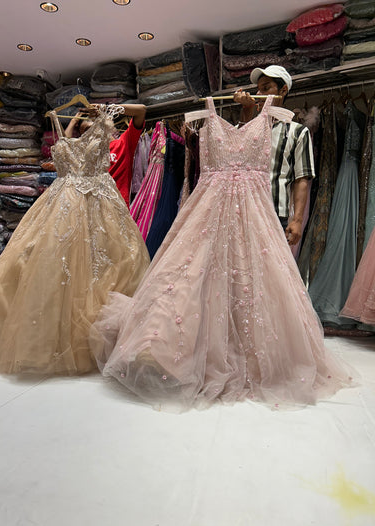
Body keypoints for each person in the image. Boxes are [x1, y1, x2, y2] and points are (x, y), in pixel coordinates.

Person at [89, 95, 355, 412]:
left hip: (255, 214)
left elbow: (302, 178)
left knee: (253, 282)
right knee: (190, 276)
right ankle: (171, 346)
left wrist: (297, 218)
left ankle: (251, 355)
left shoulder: (277, 119)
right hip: (208, 212)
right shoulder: (206, 116)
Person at [0, 104, 150, 375]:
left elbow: (141, 110)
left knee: (104, 264)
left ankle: (101, 333)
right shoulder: (61, 129)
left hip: (99, 202)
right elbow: (66, 141)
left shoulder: (117, 139)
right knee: (53, 263)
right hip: (63, 203)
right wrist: (74, 117)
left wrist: (102, 109)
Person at [233, 65, 315, 246]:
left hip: (275, 214)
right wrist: (246, 110)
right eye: (258, 89)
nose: (259, 94)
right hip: (241, 213)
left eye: (266, 88)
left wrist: (297, 220)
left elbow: (302, 178)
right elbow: (237, 154)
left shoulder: (297, 132)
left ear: (283, 90)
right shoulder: (248, 128)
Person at [65, 103, 146, 207]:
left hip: (117, 209)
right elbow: (63, 148)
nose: (91, 133)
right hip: (91, 210)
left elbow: (141, 110)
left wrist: (106, 108)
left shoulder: (123, 144)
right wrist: (73, 122)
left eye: (93, 127)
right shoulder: (85, 153)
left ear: (104, 125)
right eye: (85, 132)